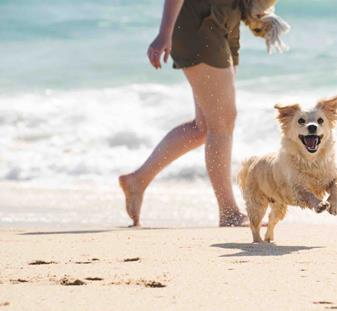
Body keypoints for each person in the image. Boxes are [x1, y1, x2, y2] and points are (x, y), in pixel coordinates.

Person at [119, 0, 289, 227]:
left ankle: (137, 181)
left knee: (204, 127)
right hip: (198, 23)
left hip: (227, 18)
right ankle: (229, 213)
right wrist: (164, 33)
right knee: (222, 123)